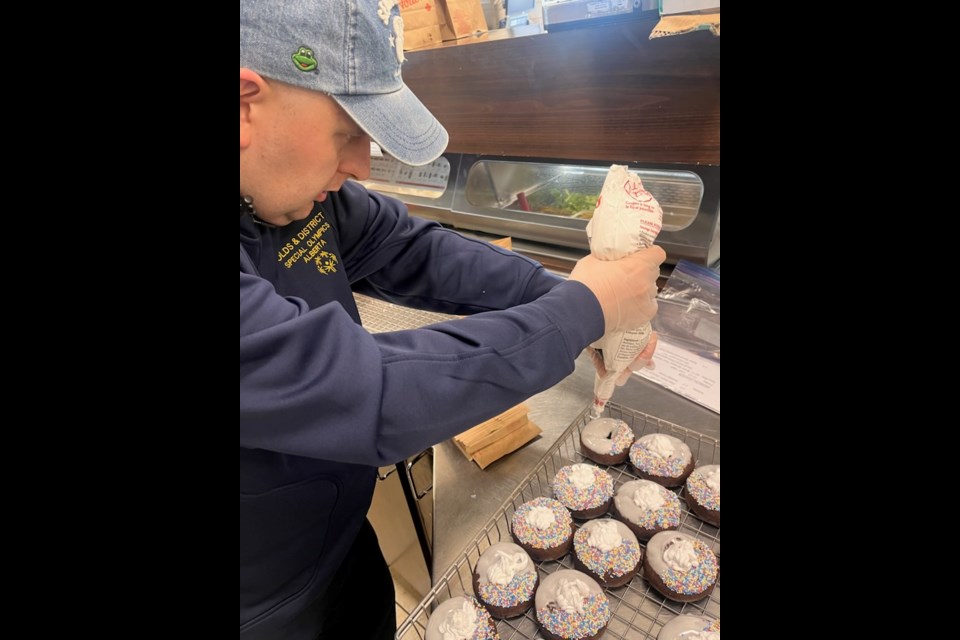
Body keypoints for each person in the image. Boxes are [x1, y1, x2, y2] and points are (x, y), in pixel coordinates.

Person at [240, 1, 665, 638]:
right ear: (247, 102)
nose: (361, 164)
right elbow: (369, 393)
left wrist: (569, 295)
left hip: (337, 541)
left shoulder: (283, 191)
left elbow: (408, 248)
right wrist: (583, 310)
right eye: (346, 131)